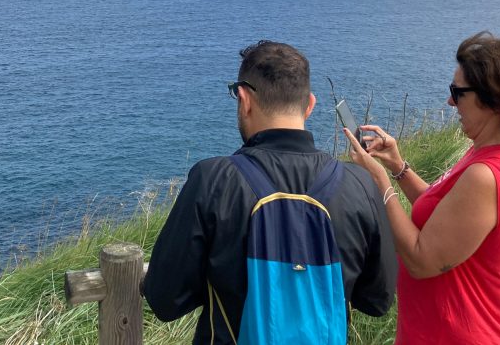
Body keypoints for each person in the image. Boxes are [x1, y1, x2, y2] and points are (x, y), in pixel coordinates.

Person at [144, 40, 397, 345]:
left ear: (244, 99)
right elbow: (377, 300)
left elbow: (164, 299)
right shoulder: (359, 184)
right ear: (310, 105)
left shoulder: (211, 180)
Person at [343, 31, 500, 345]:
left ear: (492, 100)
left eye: (458, 91)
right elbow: (445, 214)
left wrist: (379, 184)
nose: (450, 100)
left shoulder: (485, 174)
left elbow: (422, 260)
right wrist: (398, 167)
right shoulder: (495, 153)